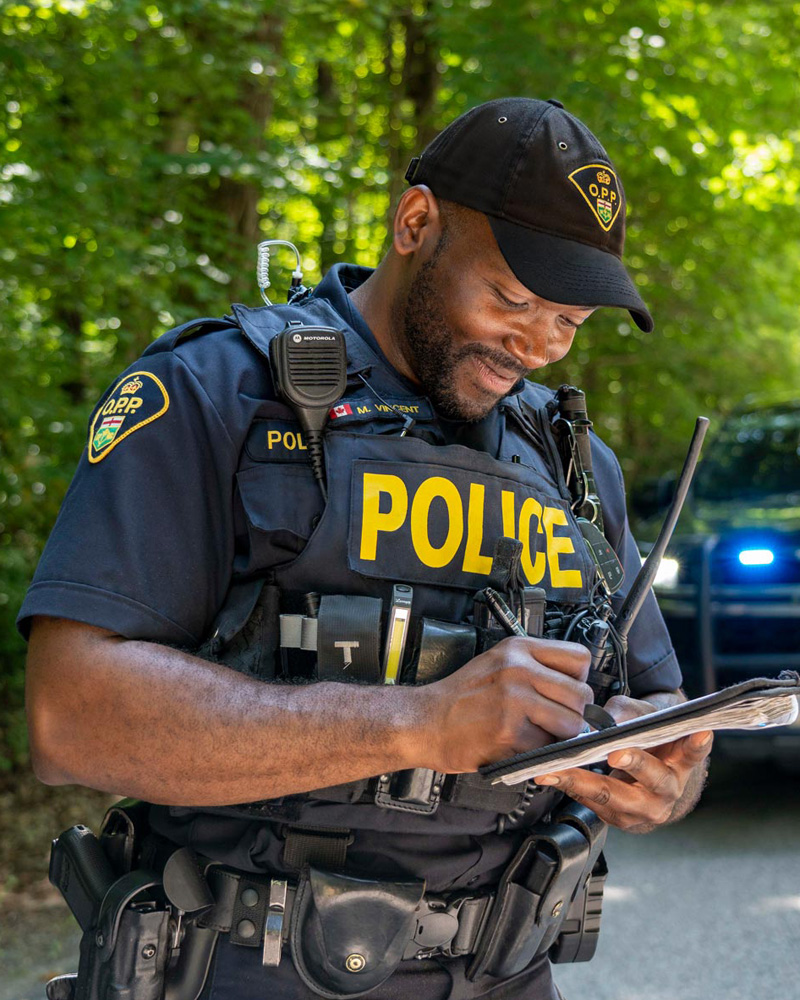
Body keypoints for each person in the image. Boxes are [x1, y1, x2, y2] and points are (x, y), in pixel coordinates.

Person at [21, 97, 712, 1000]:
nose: (540, 345)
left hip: (507, 972)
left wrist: (662, 777)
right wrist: (418, 721)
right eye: (515, 299)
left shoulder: (574, 464)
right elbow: (70, 719)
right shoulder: (216, 395)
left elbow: (655, 704)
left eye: (570, 321)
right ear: (416, 224)